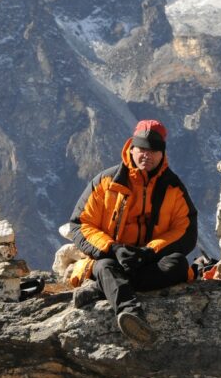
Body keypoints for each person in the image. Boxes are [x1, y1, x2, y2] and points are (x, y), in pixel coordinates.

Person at [67, 119, 197, 343]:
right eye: (142, 149)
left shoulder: (173, 188)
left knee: (178, 264)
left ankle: (107, 288)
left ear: (162, 154)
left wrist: (150, 251)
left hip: (148, 261)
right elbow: (81, 224)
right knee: (105, 267)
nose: (147, 155)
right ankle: (130, 313)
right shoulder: (106, 182)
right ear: (131, 148)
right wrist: (113, 248)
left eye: (154, 150)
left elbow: (185, 229)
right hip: (112, 258)